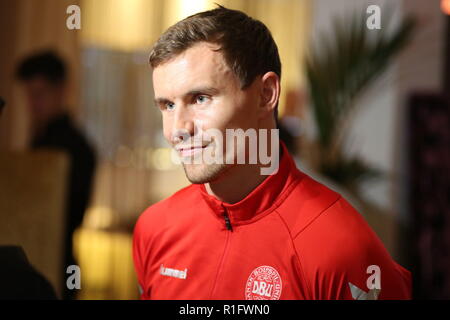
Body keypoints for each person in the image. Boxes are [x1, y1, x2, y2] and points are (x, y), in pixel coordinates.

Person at [132, 6, 411, 300]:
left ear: (266, 95)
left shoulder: (340, 246)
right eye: (168, 106)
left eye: (200, 98)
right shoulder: (154, 228)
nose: (178, 129)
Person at [16, 51, 96, 300]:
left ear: (61, 90)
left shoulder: (72, 147)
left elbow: (68, 216)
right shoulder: (42, 139)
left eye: (40, 94)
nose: (33, 103)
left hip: (54, 261)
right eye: (29, 95)